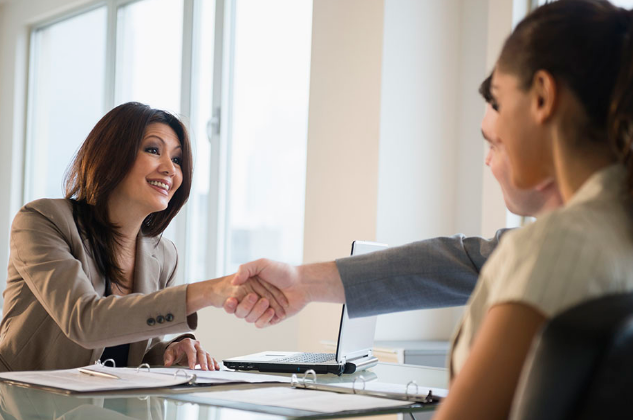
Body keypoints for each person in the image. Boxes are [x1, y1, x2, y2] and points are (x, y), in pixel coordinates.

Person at [235, 1, 633, 418]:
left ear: (543, 97)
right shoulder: (614, 228)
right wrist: (302, 280)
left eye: (498, 99)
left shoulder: (551, 247)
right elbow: (463, 261)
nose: (492, 130)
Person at [223, 74, 562, 322]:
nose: (488, 160)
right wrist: (302, 282)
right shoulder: (542, 247)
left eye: (494, 144)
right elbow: (461, 262)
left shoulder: (556, 254)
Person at [1, 102, 288, 372]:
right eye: (153, 150)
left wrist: (172, 350)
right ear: (112, 154)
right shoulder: (42, 220)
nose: (170, 168)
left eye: (177, 159)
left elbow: (133, 350)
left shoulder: (164, 255)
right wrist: (208, 292)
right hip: (22, 403)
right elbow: (85, 322)